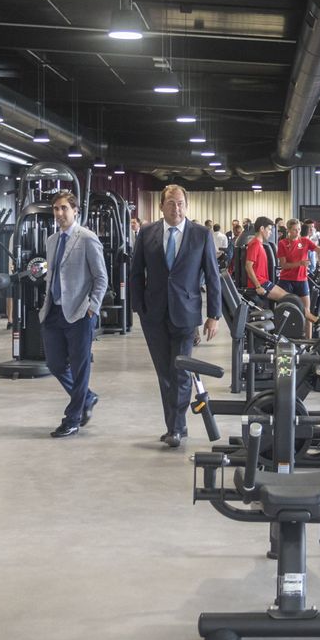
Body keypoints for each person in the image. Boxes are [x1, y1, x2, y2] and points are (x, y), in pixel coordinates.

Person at [128, 185, 221, 449]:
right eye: (170, 203)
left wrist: (213, 315)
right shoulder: (147, 233)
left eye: (180, 203)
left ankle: (176, 428)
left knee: (180, 372)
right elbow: (136, 273)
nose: (176, 208)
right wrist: (139, 307)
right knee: (164, 374)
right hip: (153, 314)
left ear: (186, 205)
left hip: (186, 314)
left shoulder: (201, 234)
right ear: (161, 206)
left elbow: (212, 276)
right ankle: (175, 425)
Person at [40, 192, 107, 438]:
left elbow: (101, 277)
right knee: (55, 363)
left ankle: (73, 418)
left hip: (80, 312)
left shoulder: (87, 238)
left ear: (75, 210)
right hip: (54, 311)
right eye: (56, 209)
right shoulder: (51, 241)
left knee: (80, 368)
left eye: (64, 208)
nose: (59, 213)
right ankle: (86, 397)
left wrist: (92, 307)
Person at [276, 219, 315, 299]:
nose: (297, 232)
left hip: (302, 279)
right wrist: (300, 263)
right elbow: (283, 265)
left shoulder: (305, 241)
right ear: (289, 230)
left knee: (306, 306)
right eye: (294, 229)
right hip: (286, 279)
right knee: (287, 305)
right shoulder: (282, 243)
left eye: (299, 229)